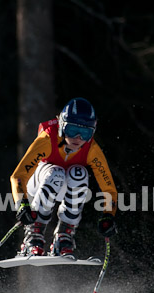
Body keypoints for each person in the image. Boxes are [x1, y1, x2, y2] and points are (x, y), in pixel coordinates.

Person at [10, 97, 118, 258]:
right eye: (73, 130)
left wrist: (108, 215)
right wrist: (22, 203)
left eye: (86, 133)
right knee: (56, 172)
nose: (78, 138)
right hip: (39, 184)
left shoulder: (91, 149)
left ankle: (64, 234)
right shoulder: (48, 139)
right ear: (61, 126)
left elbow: (108, 188)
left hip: (65, 188)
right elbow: (18, 176)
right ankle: (34, 233)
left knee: (79, 173)